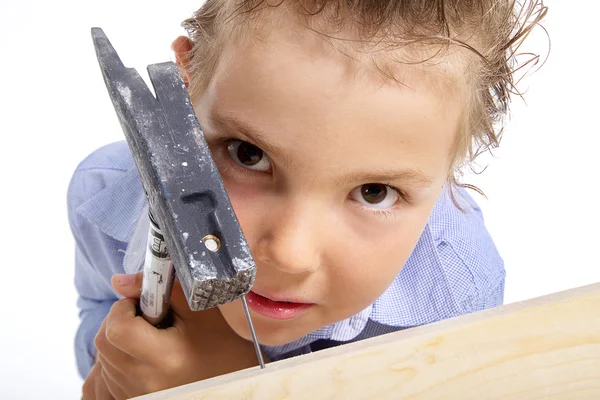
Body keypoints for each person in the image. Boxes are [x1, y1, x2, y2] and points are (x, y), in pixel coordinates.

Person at [67, 0, 547, 398]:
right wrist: (110, 369)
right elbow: (96, 310)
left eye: (374, 192)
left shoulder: (458, 290)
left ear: (447, 172)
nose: (289, 254)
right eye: (248, 154)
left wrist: (225, 384)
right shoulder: (105, 190)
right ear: (184, 84)